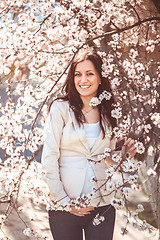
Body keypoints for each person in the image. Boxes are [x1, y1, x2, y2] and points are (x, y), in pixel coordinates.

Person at [41, 49, 137, 240]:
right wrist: (65, 202)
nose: (83, 80)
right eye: (78, 74)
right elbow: (49, 158)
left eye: (90, 73)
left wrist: (123, 155)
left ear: (100, 78)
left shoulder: (110, 112)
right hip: (64, 206)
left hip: (102, 204)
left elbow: (106, 160)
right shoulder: (60, 108)